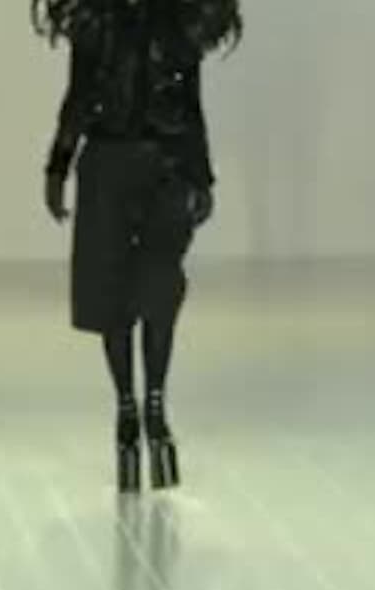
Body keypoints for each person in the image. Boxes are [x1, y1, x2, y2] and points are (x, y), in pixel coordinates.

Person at [33, 0, 242, 492]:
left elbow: (185, 101)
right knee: (120, 293)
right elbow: (81, 95)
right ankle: (136, 410)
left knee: (152, 289)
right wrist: (58, 165)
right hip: (129, 163)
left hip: (148, 165)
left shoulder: (165, 22)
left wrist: (201, 175)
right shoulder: (112, 22)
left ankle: (144, 409)